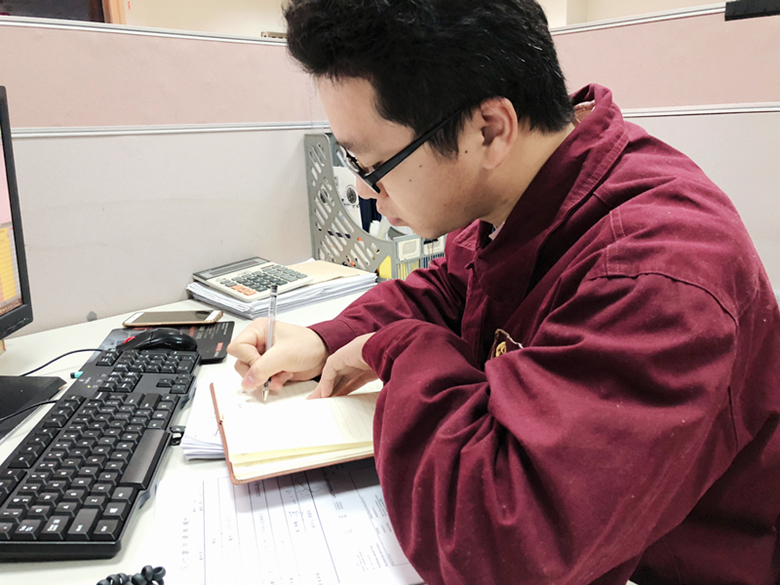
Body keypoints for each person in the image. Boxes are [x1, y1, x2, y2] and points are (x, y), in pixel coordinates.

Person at [227, 1, 780, 583]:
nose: (368, 194)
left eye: (375, 164)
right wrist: (326, 340)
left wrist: (392, 347)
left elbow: (500, 546)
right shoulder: (521, 191)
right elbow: (452, 292)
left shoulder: (656, 274)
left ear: (489, 129)